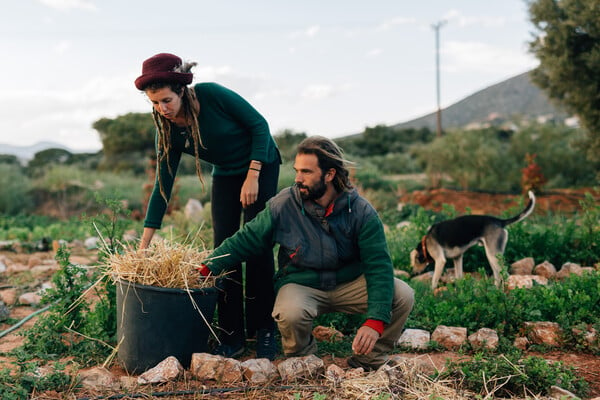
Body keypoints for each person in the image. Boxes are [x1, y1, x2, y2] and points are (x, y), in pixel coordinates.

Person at [199, 136, 414, 369]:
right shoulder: (284, 204)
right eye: (296, 171)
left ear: (329, 174)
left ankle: (370, 358)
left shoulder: (361, 211)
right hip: (302, 284)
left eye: (306, 172)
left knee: (402, 294)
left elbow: (378, 266)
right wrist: (207, 266)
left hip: (349, 283)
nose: (297, 179)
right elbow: (246, 239)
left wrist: (375, 321)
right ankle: (305, 361)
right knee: (289, 312)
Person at [134, 53, 281, 360]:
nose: (162, 109)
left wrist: (253, 175)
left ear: (182, 91)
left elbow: (260, 126)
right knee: (224, 250)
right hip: (226, 174)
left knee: (258, 244)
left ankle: (265, 329)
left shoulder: (212, 95)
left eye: (166, 100)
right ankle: (232, 335)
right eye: (154, 103)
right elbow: (163, 185)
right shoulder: (169, 129)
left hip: (261, 163)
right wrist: (144, 244)